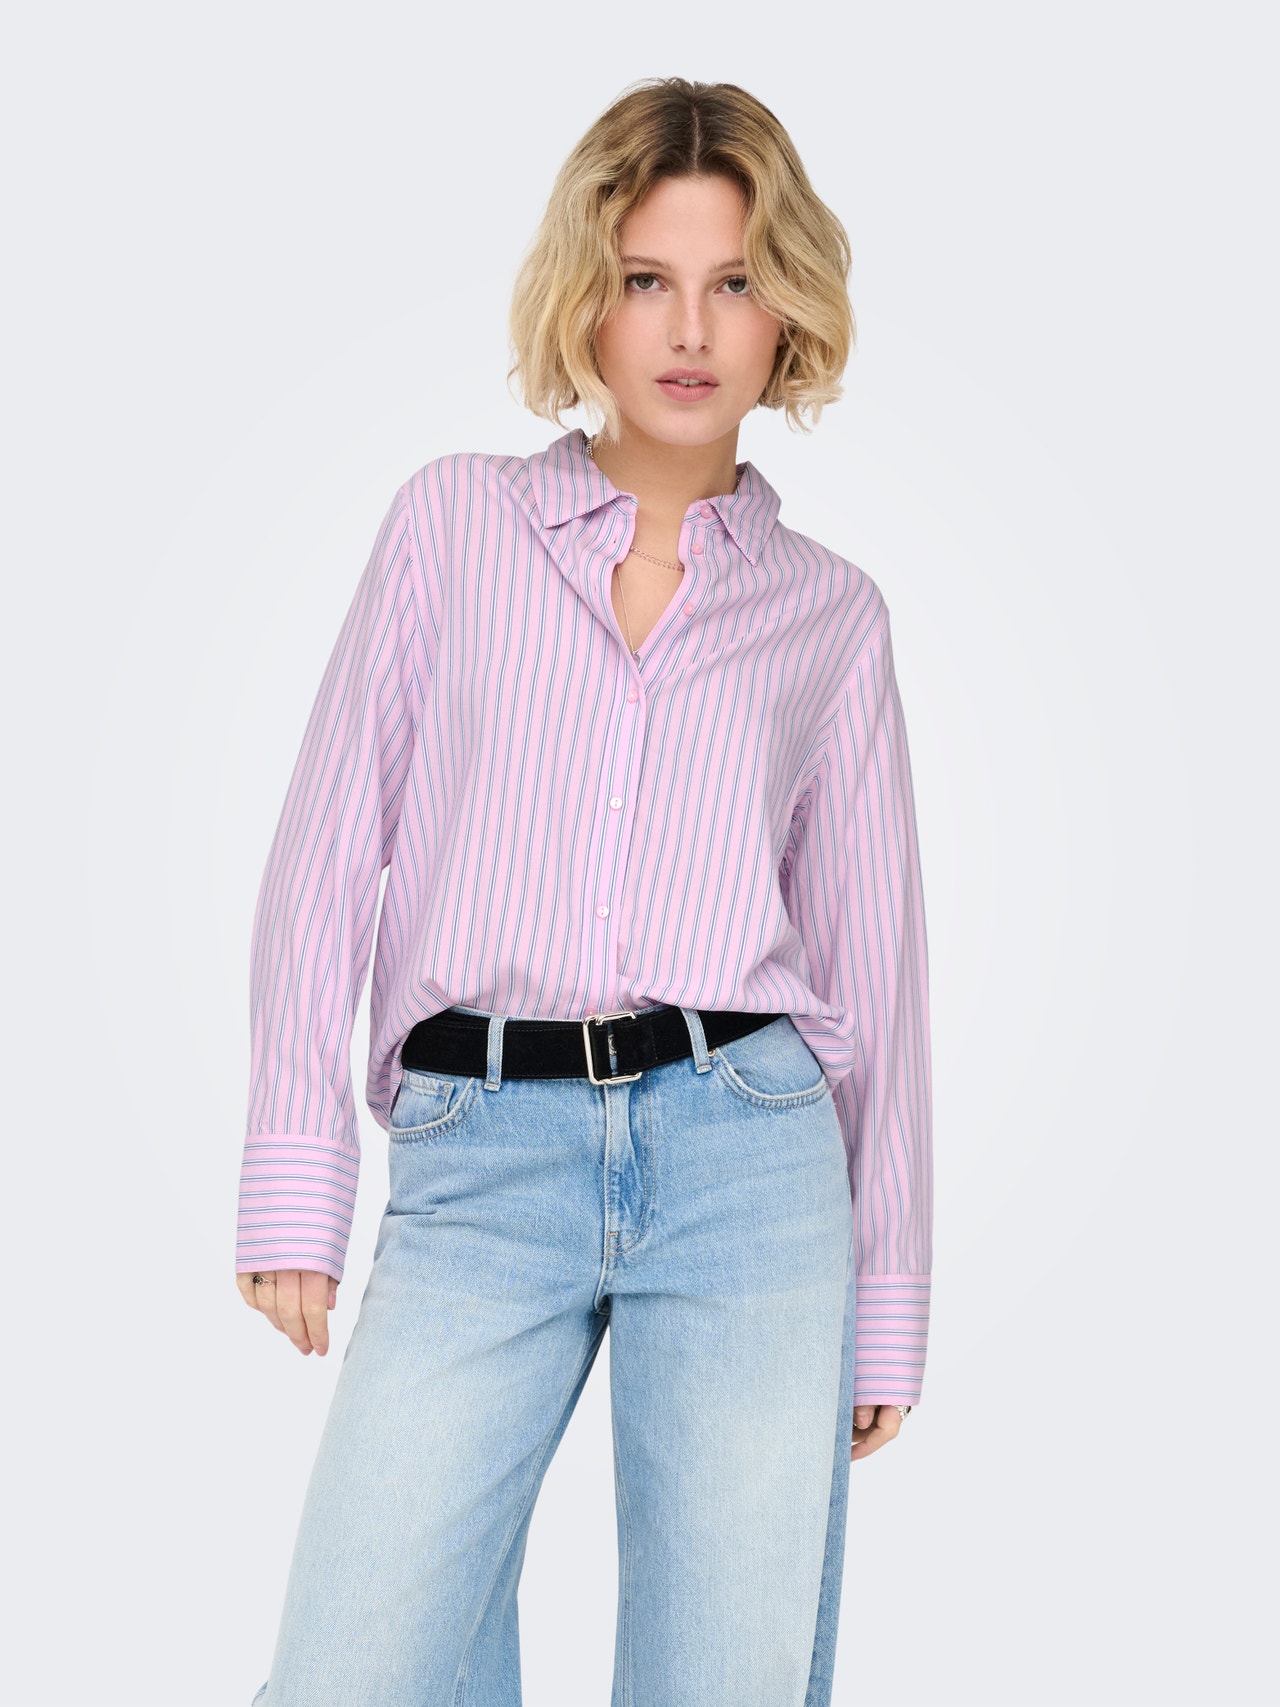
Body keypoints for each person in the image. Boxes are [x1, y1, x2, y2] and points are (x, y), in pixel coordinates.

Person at [235, 75, 932, 1707]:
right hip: (481, 1157)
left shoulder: (832, 620)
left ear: (786, 313)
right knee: (350, 1673)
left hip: (747, 1156)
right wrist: (294, 1169)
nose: (689, 328)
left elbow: (878, 978)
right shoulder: (451, 527)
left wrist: (890, 1293)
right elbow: (327, 847)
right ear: (586, 299)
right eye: (644, 279)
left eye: (735, 281)